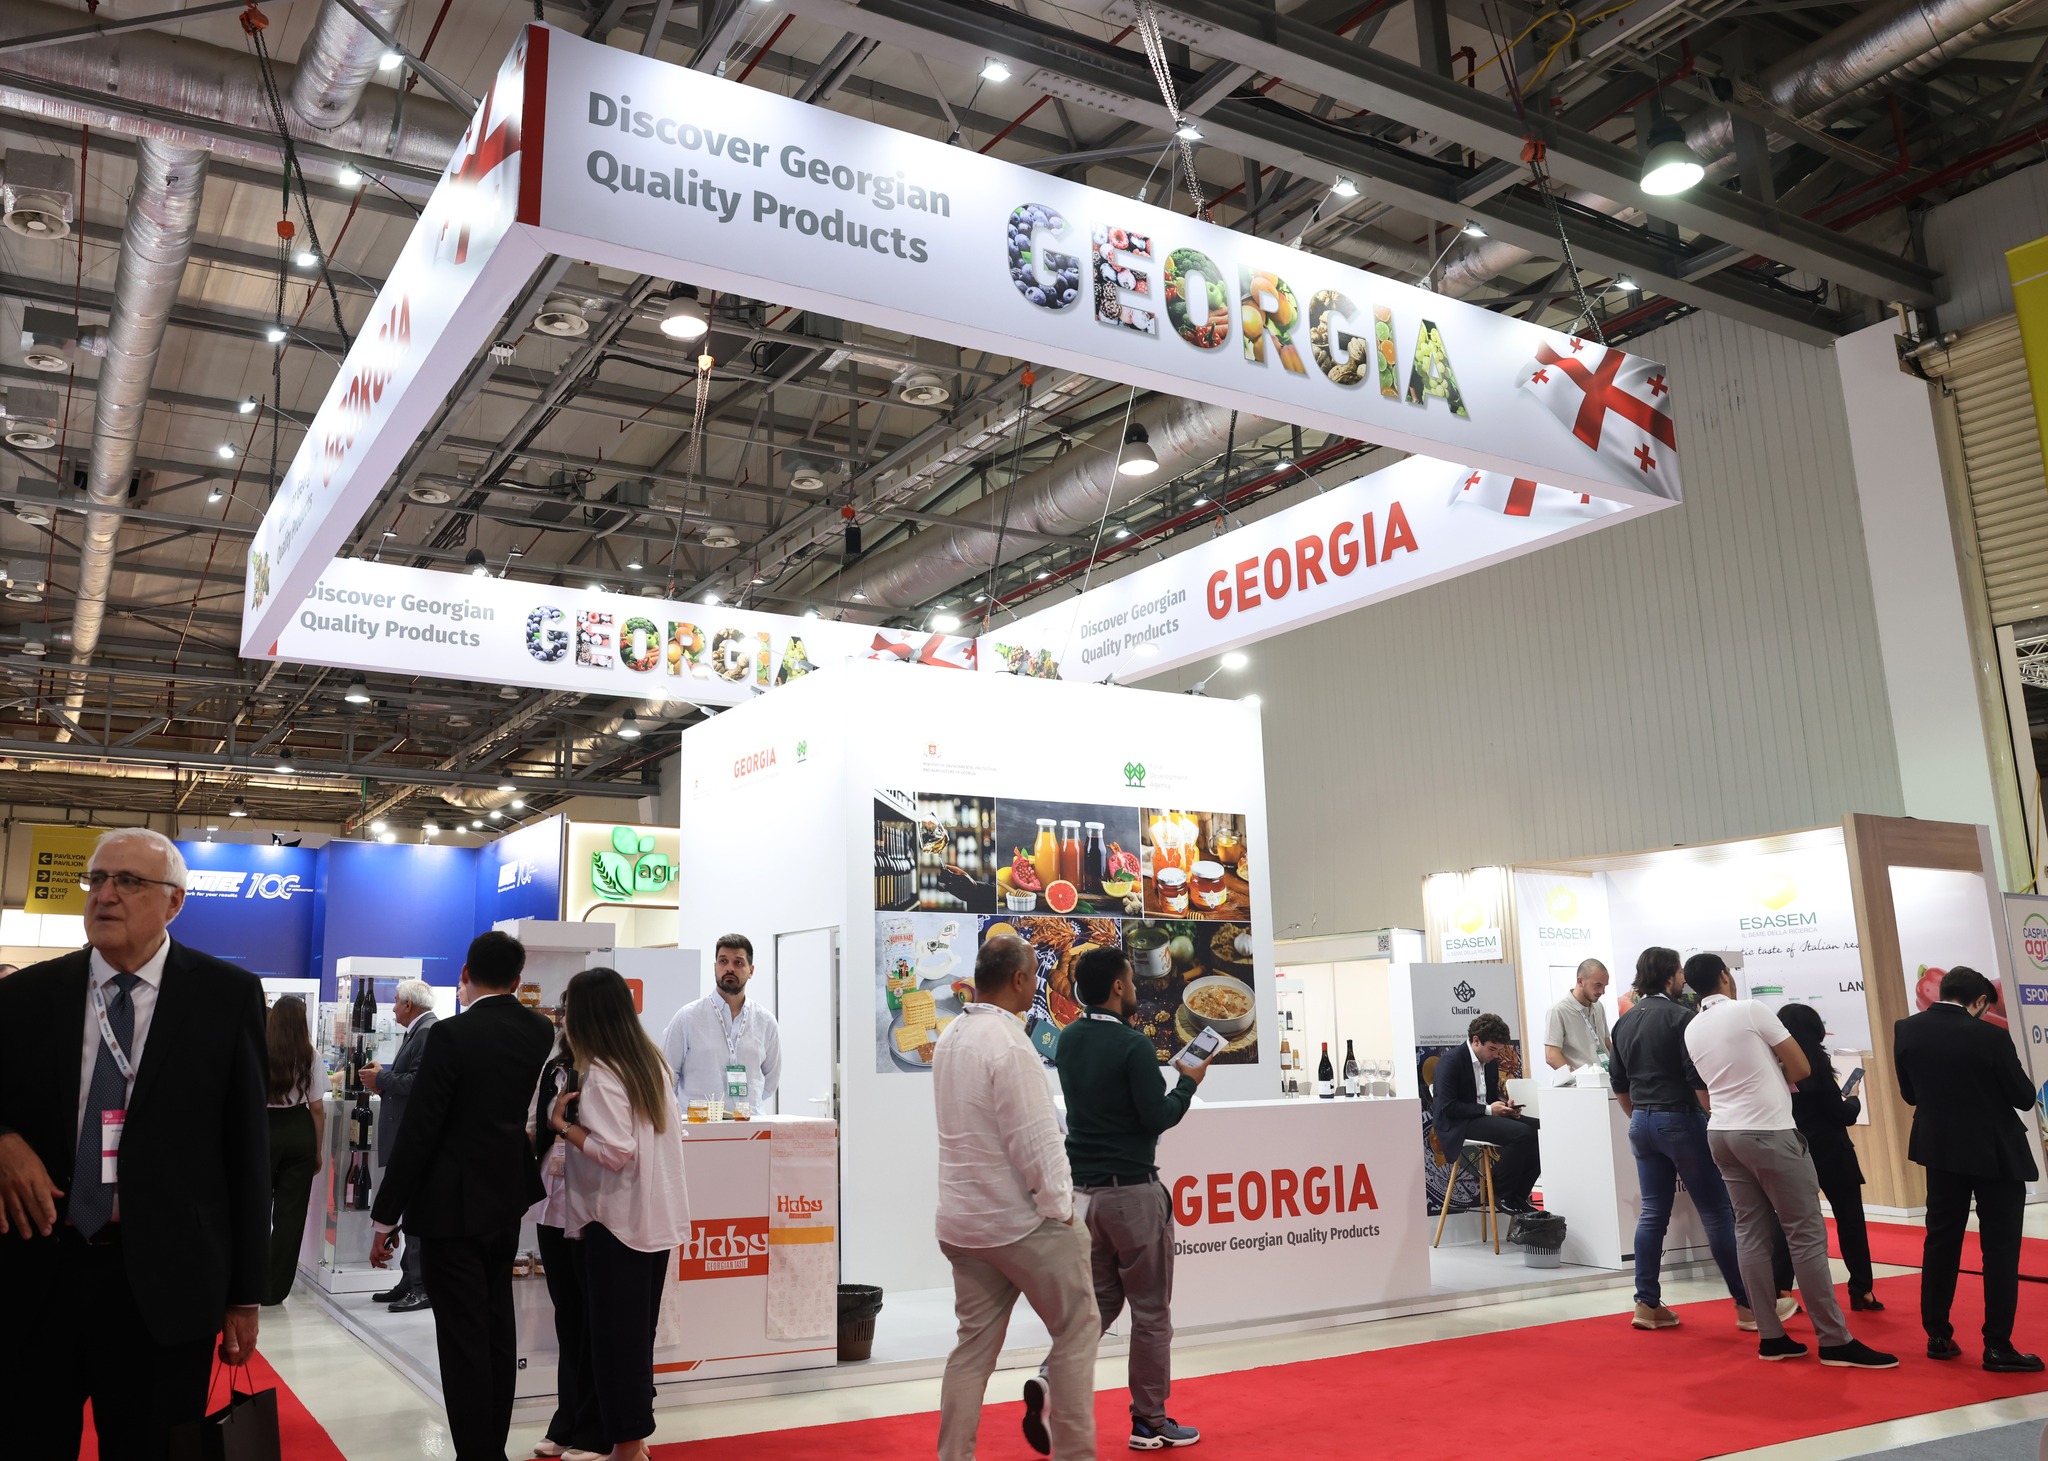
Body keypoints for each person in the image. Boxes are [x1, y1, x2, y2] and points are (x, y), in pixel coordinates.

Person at [0, 827, 269, 1458]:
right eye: (96, 879)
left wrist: (244, 1293)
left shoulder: (225, 996)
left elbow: (245, 1150)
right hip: (37, 1272)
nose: (105, 895)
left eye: (128, 881)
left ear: (174, 902)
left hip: (165, 1284)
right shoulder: (23, 996)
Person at [371, 931, 554, 1461]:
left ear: (466, 974)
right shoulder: (538, 1029)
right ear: (517, 981)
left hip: (450, 1204)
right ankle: (490, 1444)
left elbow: (421, 1129)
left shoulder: (452, 1035)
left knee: (462, 1336)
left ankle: (477, 1452)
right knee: (496, 1321)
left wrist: (386, 1217)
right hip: (504, 1196)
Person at [1034, 946, 1209, 1454]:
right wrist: (1188, 1083)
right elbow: (1157, 1117)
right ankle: (1149, 1422)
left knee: (1099, 1304)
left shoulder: (1069, 1039)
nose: (1134, 988)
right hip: (1132, 1193)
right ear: (1117, 987)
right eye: (1131, 980)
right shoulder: (1133, 1045)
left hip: (1084, 1198)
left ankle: (1048, 1379)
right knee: (1151, 1313)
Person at [1683, 953, 1894, 1369]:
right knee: (1806, 1235)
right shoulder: (1750, 1009)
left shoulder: (1693, 1026)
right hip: (1769, 1130)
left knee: (1750, 1233)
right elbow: (1800, 1067)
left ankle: (1771, 1336)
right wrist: (1770, 1078)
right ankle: (1834, 1340)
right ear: (1725, 976)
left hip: (1722, 1132)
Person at [935, 935, 1098, 1461]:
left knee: (971, 1351)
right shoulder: (1009, 1044)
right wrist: (1063, 1211)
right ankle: (1076, 1455)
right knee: (1078, 1327)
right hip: (1019, 1224)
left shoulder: (951, 1037)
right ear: (1021, 979)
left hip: (963, 1223)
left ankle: (953, 1456)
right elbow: (1036, 1143)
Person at [548, 967, 692, 1461]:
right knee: (633, 1336)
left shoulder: (604, 1074)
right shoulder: (649, 1062)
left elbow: (615, 1151)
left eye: (569, 1010)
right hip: (650, 1219)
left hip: (616, 1222)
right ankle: (632, 1440)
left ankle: (628, 1446)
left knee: (615, 1340)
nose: (563, 1019)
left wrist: (562, 1126)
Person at [1609, 946, 1771, 1331]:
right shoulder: (1682, 1018)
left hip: (1642, 1122)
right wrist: (1712, 1114)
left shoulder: (1624, 1023)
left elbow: (1619, 1084)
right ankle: (1748, 1305)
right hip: (1681, 1119)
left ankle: (1646, 1303)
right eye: (1680, 972)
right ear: (1670, 976)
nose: (1683, 979)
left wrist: (1642, 1117)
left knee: (1652, 1214)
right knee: (1716, 1211)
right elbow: (1698, 1079)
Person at [1894, 965, 2042, 1372]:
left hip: (1940, 1150)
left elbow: (1910, 1094)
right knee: (1999, 1249)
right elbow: (2023, 1096)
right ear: (1979, 1001)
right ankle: (1997, 1345)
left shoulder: (1906, 1029)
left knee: (1941, 1241)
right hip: (1995, 1153)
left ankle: (1937, 1335)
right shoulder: (1991, 1036)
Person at [531, 1026, 605, 1461]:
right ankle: (568, 1419)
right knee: (569, 1314)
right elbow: (533, 1127)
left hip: (597, 1205)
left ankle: (599, 1424)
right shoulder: (554, 1071)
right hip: (553, 1202)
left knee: (597, 1317)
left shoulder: (612, 1071)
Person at [1778, 1003, 1881, 1313]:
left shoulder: (1775, 1066)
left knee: (1789, 1224)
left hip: (1793, 1151)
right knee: (1851, 1222)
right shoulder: (1817, 1067)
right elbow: (1841, 1116)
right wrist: (1853, 1099)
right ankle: (1861, 1289)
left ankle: (1781, 1290)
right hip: (1833, 1153)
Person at [365, 977, 439, 1312]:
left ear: (408, 1004)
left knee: (416, 1213)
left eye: (395, 1001)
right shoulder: (419, 1031)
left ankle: (420, 1285)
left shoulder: (428, 1032)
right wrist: (384, 1077)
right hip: (406, 1134)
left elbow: (419, 1082)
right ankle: (410, 1280)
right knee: (410, 1213)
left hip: (413, 1137)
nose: (393, 1008)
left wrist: (381, 1078)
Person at [1431, 1013, 1542, 1214]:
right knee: (1522, 1134)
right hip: (1459, 1122)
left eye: (1499, 1050)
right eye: (1492, 1049)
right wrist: (1490, 1110)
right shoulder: (1450, 1062)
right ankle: (1501, 1192)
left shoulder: (1490, 1062)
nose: (1496, 1055)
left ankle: (1518, 1196)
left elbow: (1488, 1099)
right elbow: (1447, 1107)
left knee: (1542, 1129)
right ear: (1476, 1041)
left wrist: (1505, 1107)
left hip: (1482, 1115)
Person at [661, 933, 781, 1116]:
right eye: (723, 961)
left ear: (751, 970)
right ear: (715, 967)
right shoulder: (688, 1017)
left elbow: (771, 1082)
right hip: (700, 1124)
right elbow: (666, 1075)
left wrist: (746, 1105)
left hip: (749, 1124)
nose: (729, 968)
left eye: (738, 962)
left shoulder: (766, 1022)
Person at [265, 995, 325, 1306]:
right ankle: (274, 1290)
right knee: (290, 1214)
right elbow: (317, 1109)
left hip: (263, 1131)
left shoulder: (259, 1049)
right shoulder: (310, 1054)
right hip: (299, 1130)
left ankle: (248, 1282)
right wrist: (317, 1150)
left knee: (254, 1209)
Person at [1544, 959, 1611, 1072]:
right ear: (1580, 981)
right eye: (1598, 985)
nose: (1602, 991)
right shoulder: (1558, 1010)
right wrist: (1575, 1078)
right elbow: (1551, 1055)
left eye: (1604, 986)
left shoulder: (1598, 1006)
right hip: (1582, 1080)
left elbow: (1606, 1043)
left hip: (1606, 1077)